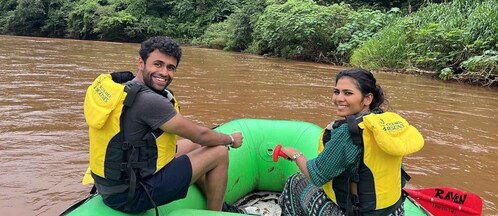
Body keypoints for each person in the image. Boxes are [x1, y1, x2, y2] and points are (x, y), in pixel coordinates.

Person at [84, 36, 245, 214]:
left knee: (195, 146)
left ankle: (218, 202)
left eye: (170, 67)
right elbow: (200, 134)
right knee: (219, 152)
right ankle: (216, 213)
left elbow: (196, 140)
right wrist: (231, 139)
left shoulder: (125, 89)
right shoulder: (148, 101)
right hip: (132, 196)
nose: (164, 72)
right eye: (158, 64)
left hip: (114, 185)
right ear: (141, 63)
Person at [277, 68, 424, 216]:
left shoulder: (348, 133)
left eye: (348, 93)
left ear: (367, 99)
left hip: (356, 213)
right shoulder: (384, 126)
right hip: (394, 211)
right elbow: (401, 180)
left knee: (295, 181)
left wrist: (295, 154)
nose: (339, 98)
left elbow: (316, 176)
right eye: (336, 92)